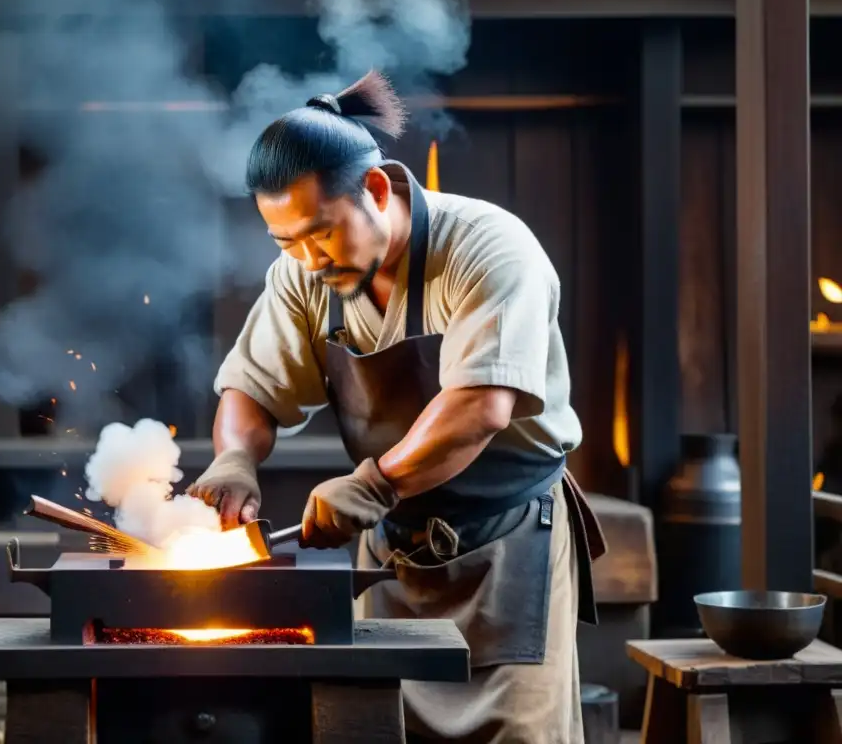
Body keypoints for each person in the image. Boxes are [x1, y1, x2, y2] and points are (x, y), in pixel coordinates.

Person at [187, 70, 606, 744]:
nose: (307, 259)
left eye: (320, 234)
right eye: (284, 242)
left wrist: (376, 480)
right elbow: (253, 386)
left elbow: (481, 406)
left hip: (509, 541)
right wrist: (236, 457)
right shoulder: (303, 272)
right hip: (394, 552)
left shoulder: (490, 248)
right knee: (376, 728)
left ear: (377, 191)